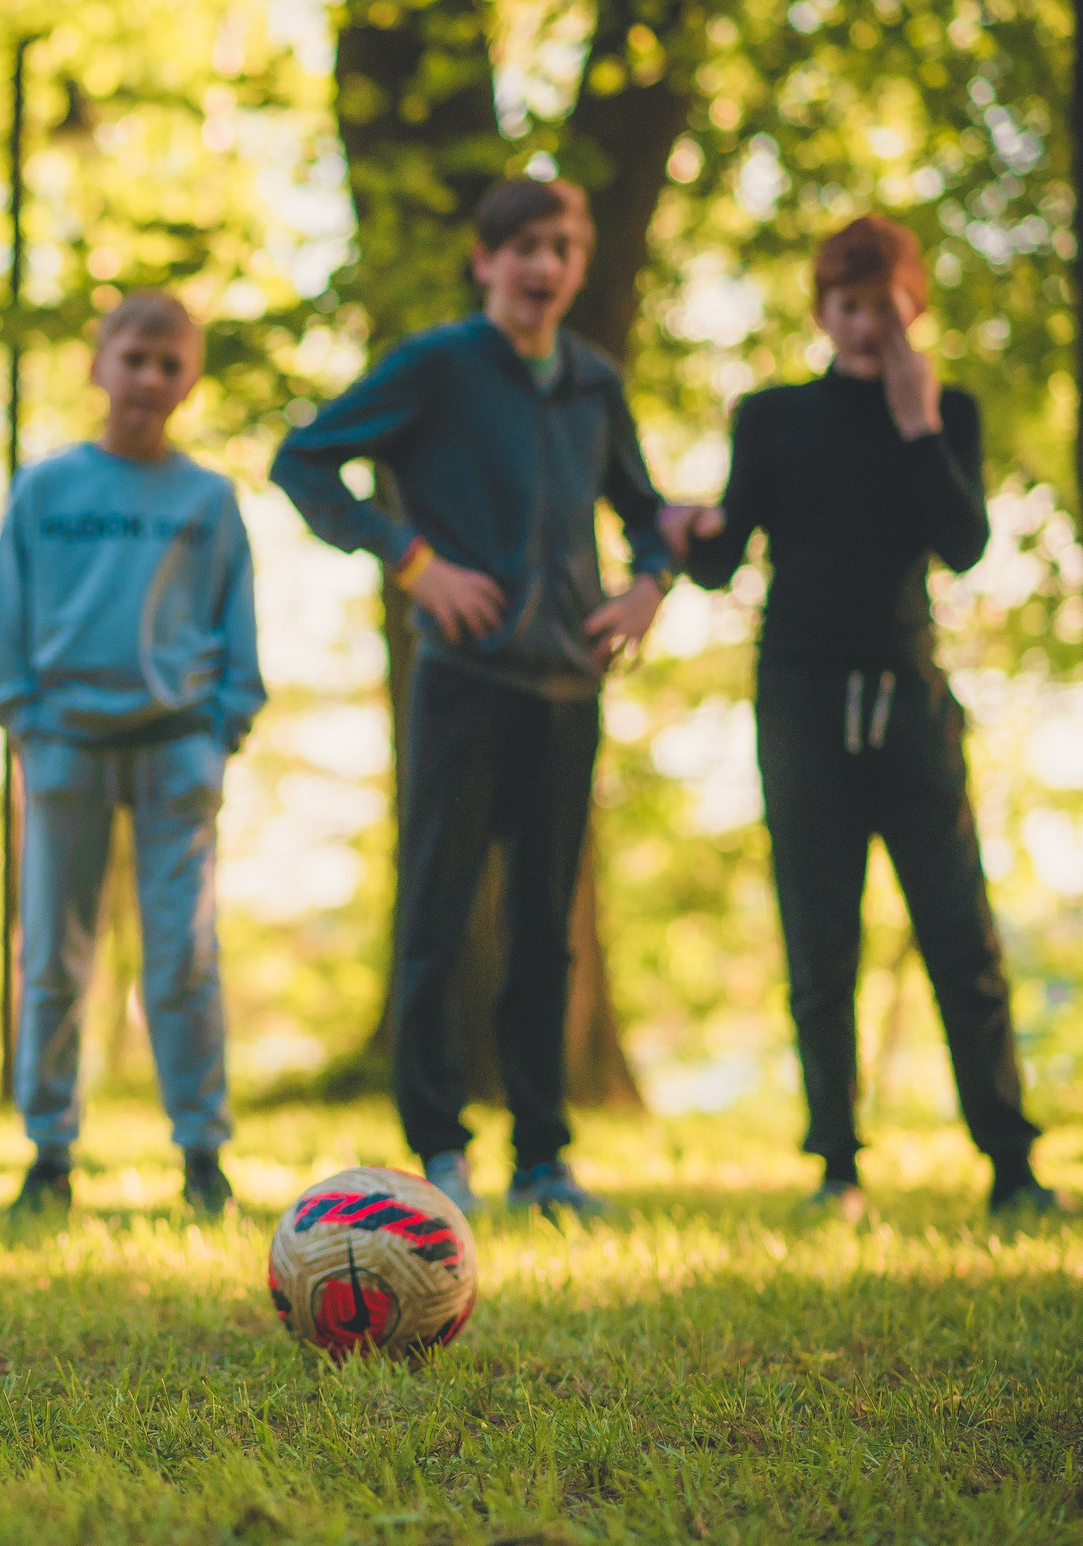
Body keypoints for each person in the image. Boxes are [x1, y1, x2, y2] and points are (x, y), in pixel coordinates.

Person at [270, 177, 685, 1220]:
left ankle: (542, 1159)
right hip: (462, 685)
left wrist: (646, 586)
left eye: (562, 248)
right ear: (485, 259)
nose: (543, 266)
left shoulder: (593, 381)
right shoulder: (436, 368)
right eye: (524, 247)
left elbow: (644, 511)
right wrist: (411, 559)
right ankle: (437, 1150)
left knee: (546, 931)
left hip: (564, 690)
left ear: (579, 265)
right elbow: (304, 459)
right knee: (437, 918)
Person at [671, 216, 1070, 1221]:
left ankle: (1010, 1165)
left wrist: (917, 423)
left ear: (910, 308)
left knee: (957, 934)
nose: (862, 326)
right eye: (845, 308)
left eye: (881, 309)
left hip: (908, 698)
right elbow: (725, 556)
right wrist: (687, 532)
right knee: (819, 941)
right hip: (799, 697)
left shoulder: (946, 412)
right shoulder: (768, 416)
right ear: (820, 311)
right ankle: (836, 1166)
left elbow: (965, 544)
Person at [0, 290, 265, 1220]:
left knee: (181, 953)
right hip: (64, 744)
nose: (148, 377)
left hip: (177, 749)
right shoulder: (47, 490)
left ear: (189, 380)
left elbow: (237, 618)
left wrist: (224, 724)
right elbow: (6, 613)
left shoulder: (207, 499)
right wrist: (24, 717)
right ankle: (51, 1152)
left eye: (168, 363)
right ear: (97, 365)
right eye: (132, 358)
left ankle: (202, 1152)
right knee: (55, 953)